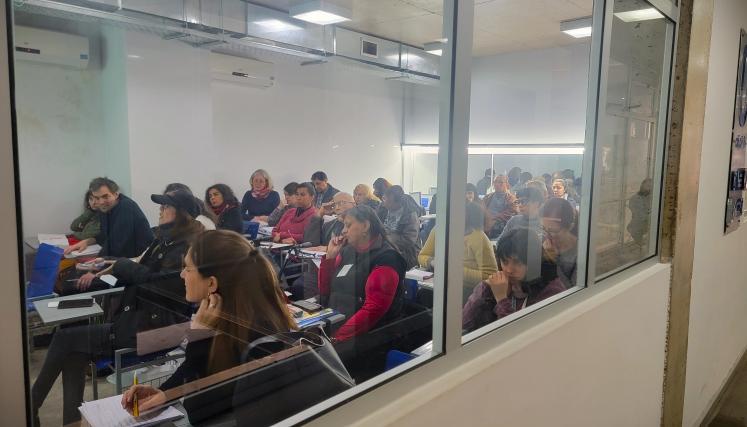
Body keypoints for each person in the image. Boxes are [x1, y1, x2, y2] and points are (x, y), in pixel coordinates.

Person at [32, 190, 204, 424]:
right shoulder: (163, 239)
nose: (160, 210)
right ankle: (71, 421)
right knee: (72, 350)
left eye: (166, 207)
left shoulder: (187, 247)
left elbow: (161, 285)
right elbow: (140, 274)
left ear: (182, 214)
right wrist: (106, 273)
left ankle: (31, 405)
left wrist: (123, 266)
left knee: (64, 338)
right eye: (161, 206)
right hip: (138, 320)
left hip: (157, 330)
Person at [121, 230, 296, 414]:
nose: (182, 275)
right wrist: (164, 393)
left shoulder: (254, 332)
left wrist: (199, 337)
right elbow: (202, 368)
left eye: (188, 269)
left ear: (211, 283)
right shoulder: (230, 311)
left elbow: (198, 410)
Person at [318, 205, 406, 342]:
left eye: (348, 225)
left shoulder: (387, 259)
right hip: (338, 322)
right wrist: (330, 258)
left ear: (365, 226)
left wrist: (336, 338)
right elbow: (325, 291)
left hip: (370, 336)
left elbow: (373, 310)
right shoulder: (347, 251)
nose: (343, 231)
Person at [462, 228, 566, 332]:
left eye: (517, 262)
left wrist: (501, 299)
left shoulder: (552, 290)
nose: (508, 270)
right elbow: (464, 324)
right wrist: (485, 288)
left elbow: (517, 336)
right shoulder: (502, 283)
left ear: (533, 262)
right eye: (505, 261)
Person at [419, 202, 497, 300]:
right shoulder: (438, 230)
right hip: (440, 283)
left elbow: (490, 275)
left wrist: (454, 270)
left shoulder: (478, 238)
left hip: (469, 291)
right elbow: (422, 256)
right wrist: (432, 262)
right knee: (421, 297)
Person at [65, 177, 153, 259]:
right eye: (96, 198)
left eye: (105, 196)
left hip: (141, 258)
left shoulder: (126, 207)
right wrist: (87, 242)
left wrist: (94, 268)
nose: (101, 202)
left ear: (116, 194)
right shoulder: (105, 208)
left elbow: (115, 244)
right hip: (123, 256)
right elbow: (105, 235)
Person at [378, 185, 421, 269]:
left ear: (397, 202)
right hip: (385, 248)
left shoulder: (410, 215)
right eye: (384, 199)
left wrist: (386, 238)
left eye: (388, 200)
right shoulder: (382, 210)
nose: (384, 203)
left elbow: (408, 240)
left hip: (406, 253)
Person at [541, 198, 579, 288]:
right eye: (543, 228)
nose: (547, 234)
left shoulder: (579, 252)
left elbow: (571, 291)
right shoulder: (542, 240)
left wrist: (554, 261)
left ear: (570, 226)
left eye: (553, 230)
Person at [482, 174, 518, 239]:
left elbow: (512, 212)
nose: (497, 184)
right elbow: (480, 209)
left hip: (499, 226)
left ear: (507, 184)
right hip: (486, 222)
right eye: (495, 182)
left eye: (500, 182)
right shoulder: (487, 197)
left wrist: (494, 218)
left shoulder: (511, 198)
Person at [628, 178, 653, 247]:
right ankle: (642, 245)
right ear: (642, 186)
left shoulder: (652, 197)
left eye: (650, 187)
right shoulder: (635, 199)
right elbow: (640, 216)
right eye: (647, 186)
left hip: (649, 224)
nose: (648, 189)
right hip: (639, 225)